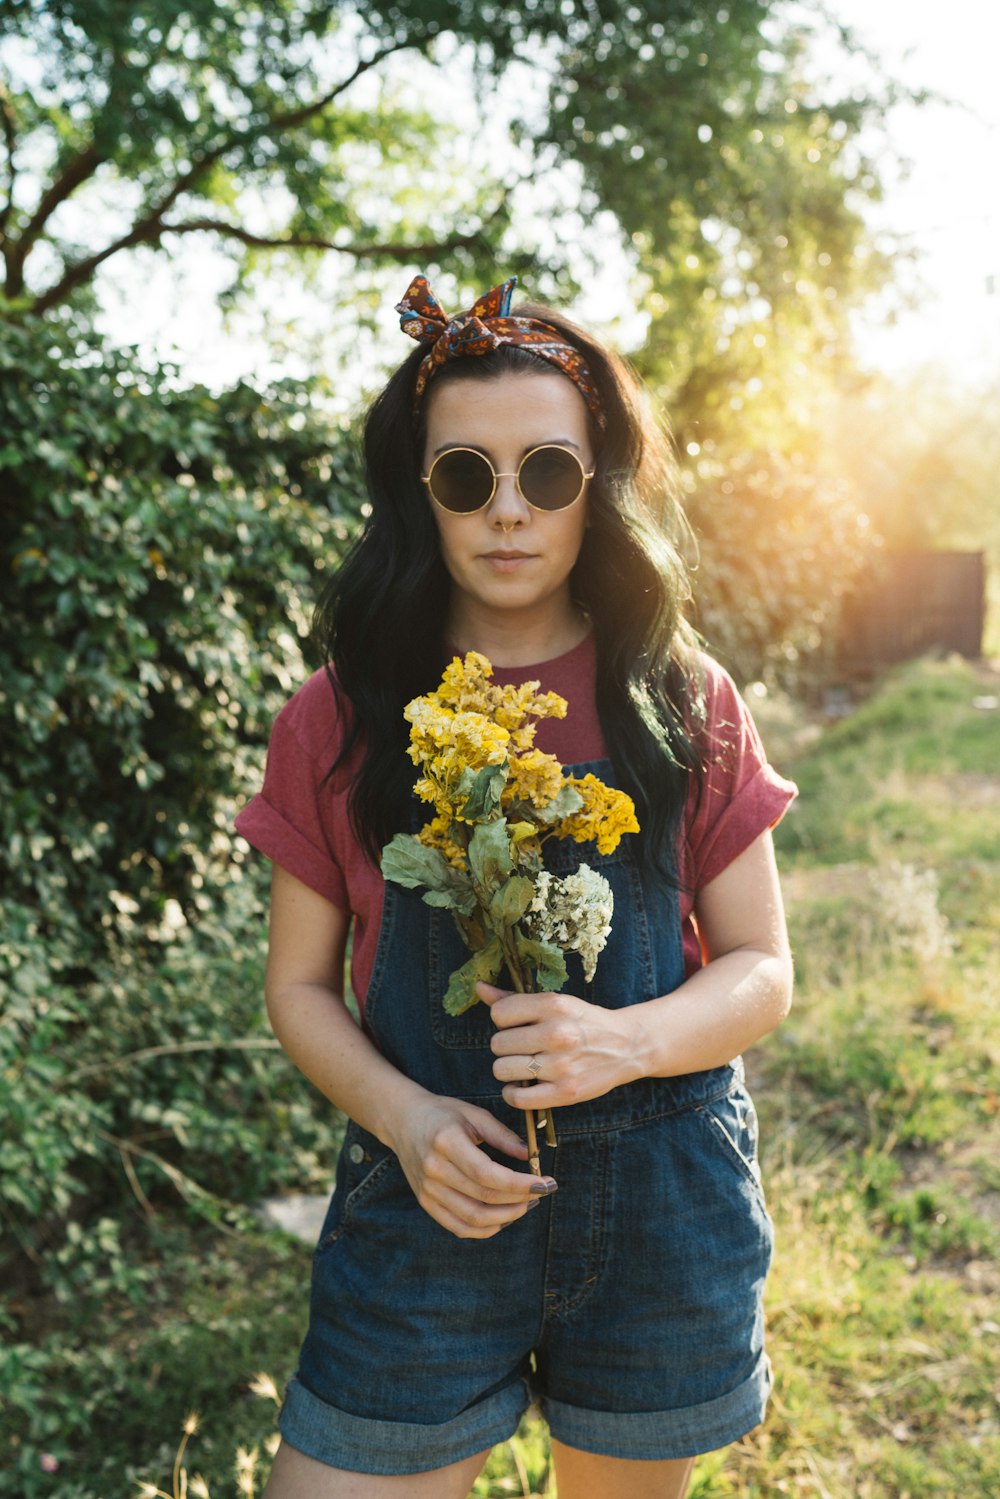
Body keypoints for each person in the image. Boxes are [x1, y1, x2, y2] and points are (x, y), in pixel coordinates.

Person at [235, 273, 797, 1499]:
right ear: (416, 492)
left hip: (662, 1214)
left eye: (545, 471)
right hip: (425, 1209)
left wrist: (624, 1041)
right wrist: (409, 1118)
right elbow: (295, 987)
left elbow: (762, 971)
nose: (506, 511)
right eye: (462, 476)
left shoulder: (679, 697)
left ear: (596, 486)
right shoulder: (341, 715)